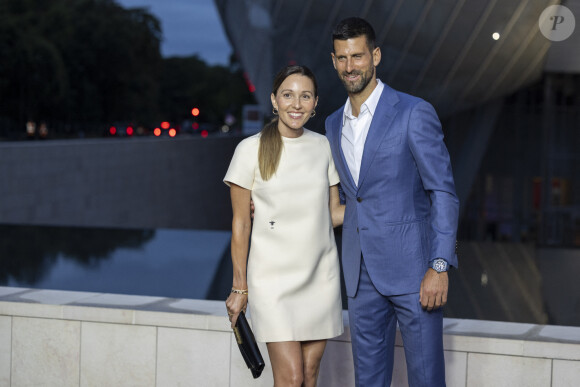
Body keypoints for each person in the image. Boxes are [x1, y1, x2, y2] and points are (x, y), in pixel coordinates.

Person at [325, 17, 459, 387]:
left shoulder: (414, 112)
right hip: (359, 273)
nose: (350, 66)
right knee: (367, 380)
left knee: (426, 378)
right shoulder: (333, 124)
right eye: (342, 58)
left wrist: (439, 264)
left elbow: (443, 193)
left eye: (357, 56)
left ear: (376, 56)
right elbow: (345, 200)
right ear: (334, 62)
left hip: (415, 273)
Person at [224, 64, 345, 387]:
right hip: (272, 282)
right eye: (288, 95)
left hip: (320, 277)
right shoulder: (249, 150)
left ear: (315, 103)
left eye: (305, 96)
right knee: (291, 378)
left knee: (308, 374)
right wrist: (239, 287)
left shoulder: (324, 146)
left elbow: (334, 213)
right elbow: (240, 224)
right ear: (274, 100)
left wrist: (381, 206)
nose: (296, 104)